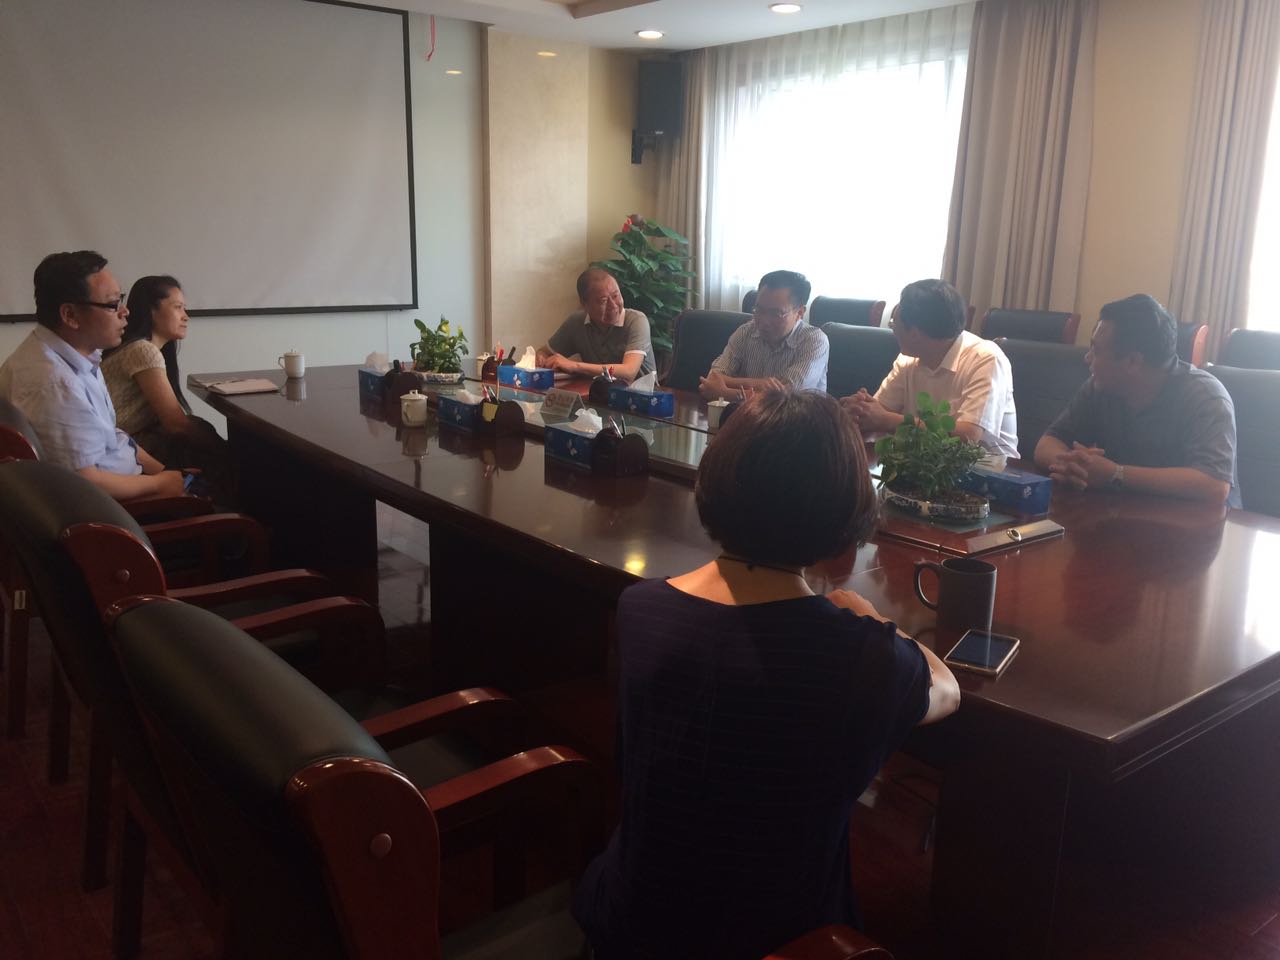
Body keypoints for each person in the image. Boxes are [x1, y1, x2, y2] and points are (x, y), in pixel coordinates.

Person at [572, 389, 960, 960]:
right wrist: (874, 621)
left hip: (625, 929)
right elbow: (947, 690)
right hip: (786, 943)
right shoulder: (860, 655)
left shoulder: (641, 610)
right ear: (842, 513)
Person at [0, 251, 187, 500]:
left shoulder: (77, 356)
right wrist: (158, 484)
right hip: (120, 509)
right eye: (112, 304)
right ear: (70, 315)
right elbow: (84, 483)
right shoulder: (55, 383)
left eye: (121, 300)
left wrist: (165, 474)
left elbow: (112, 436)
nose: (125, 312)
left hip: (129, 484)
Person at [1034, 294, 1239, 506]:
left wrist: (1116, 474)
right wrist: (1073, 466)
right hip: (1123, 513)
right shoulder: (1100, 387)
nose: (1087, 357)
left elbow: (1214, 485)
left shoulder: (1204, 396)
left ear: (1132, 361)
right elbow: (1046, 444)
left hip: (1199, 522)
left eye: (1097, 350)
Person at [841, 278, 1019, 458]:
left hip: (992, 469)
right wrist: (860, 410)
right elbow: (878, 411)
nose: (892, 329)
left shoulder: (985, 359)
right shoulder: (907, 359)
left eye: (893, 323)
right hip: (923, 462)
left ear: (915, 333)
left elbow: (968, 436)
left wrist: (886, 420)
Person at [102, 275, 232, 498]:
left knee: (198, 435)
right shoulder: (142, 350)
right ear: (152, 311)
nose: (186, 316)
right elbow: (176, 424)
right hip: (121, 453)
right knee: (211, 447)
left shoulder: (138, 347)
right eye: (178, 307)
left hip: (122, 447)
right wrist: (228, 448)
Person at [698, 269, 828, 399]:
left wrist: (726, 393)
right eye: (759, 310)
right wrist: (761, 385)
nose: (764, 321)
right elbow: (713, 377)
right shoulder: (746, 332)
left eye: (775, 313)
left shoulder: (814, 341)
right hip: (744, 412)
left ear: (799, 312)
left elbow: (786, 396)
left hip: (796, 413)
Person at [536, 268, 656, 383]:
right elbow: (544, 352)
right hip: (599, 394)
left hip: (642, 395)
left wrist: (575, 366)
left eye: (616, 296)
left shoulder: (636, 321)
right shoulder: (576, 322)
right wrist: (541, 359)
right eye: (603, 301)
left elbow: (629, 372)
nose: (613, 306)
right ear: (584, 304)